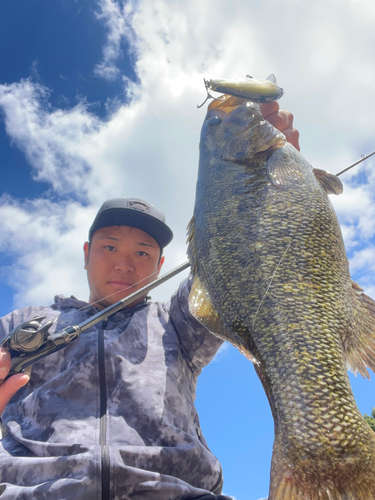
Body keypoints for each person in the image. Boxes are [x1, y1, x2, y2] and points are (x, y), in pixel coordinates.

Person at [0, 103, 299, 500]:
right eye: (110, 247)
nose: (125, 263)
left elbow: (232, 254)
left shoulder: (177, 323)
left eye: (142, 252)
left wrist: (269, 176)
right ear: (86, 253)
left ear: (159, 266)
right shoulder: (20, 322)